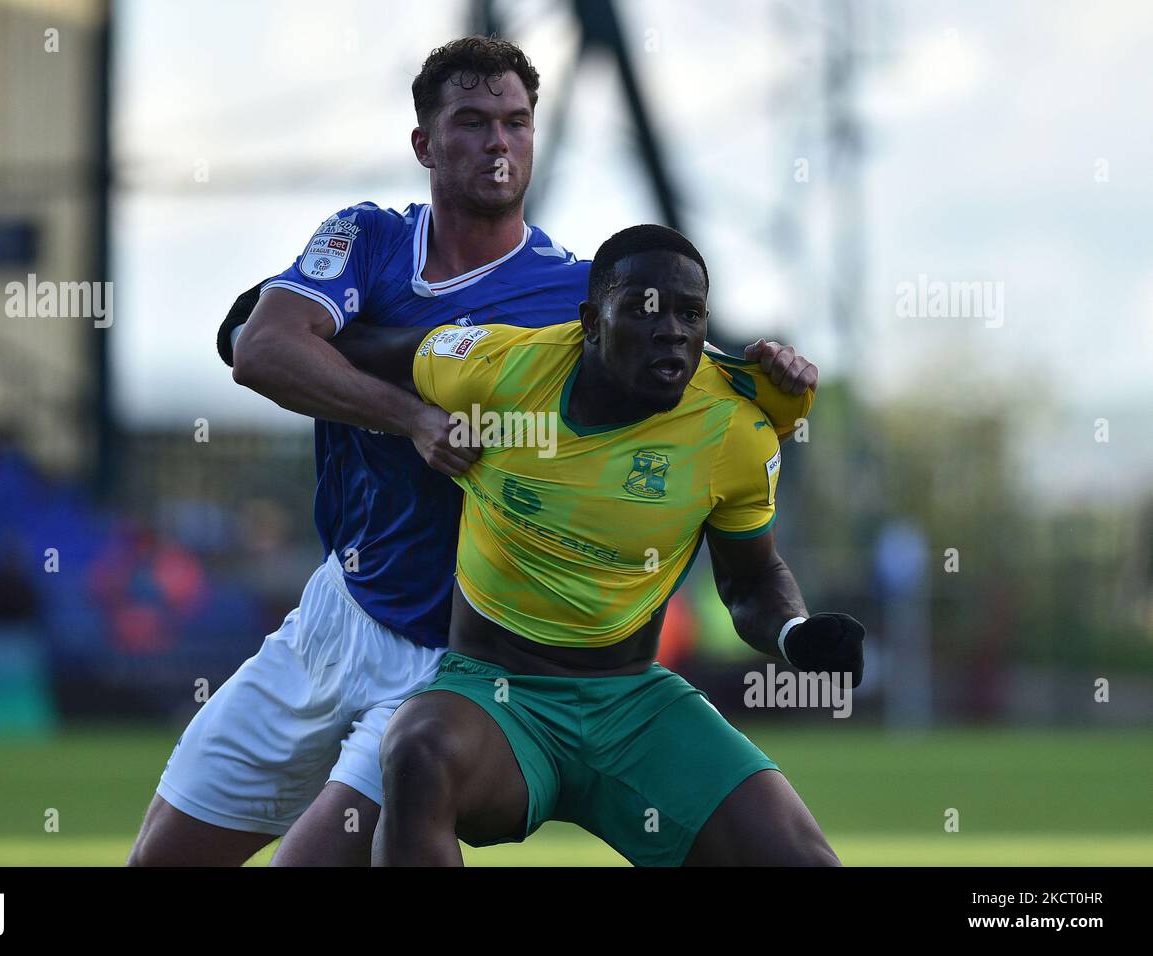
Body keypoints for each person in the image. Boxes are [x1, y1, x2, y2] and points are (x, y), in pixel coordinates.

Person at [129, 36, 816, 867]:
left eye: (518, 122)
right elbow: (261, 347)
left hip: (453, 654)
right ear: (424, 143)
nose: (498, 141)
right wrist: (410, 417)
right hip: (339, 609)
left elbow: (693, 392)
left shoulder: (577, 297)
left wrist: (777, 384)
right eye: (472, 122)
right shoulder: (369, 237)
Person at [329, 224, 863, 865]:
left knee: (804, 861)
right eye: (645, 308)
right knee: (417, 752)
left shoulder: (735, 429)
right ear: (590, 320)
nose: (672, 330)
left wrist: (795, 635)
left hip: (633, 703)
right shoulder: (496, 368)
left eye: (691, 314)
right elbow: (360, 347)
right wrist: (279, 313)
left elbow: (749, 582)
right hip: (499, 695)